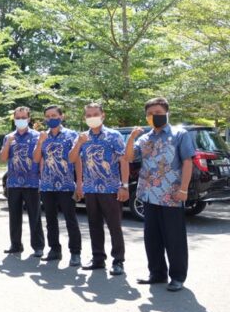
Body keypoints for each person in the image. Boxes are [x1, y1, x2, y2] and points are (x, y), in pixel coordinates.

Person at [125, 97, 194, 292]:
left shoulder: (180, 135)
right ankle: (157, 274)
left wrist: (183, 189)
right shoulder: (144, 138)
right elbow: (129, 157)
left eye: (157, 112)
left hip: (171, 196)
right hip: (147, 195)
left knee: (174, 238)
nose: (154, 116)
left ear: (166, 113)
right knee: (152, 237)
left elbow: (188, 162)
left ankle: (178, 276)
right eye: (150, 113)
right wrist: (131, 138)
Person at [68, 103, 129, 275]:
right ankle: (98, 258)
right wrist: (78, 144)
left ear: (103, 115)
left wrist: (124, 186)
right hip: (90, 189)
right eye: (88, 115)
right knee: (94, 225)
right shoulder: (82, 137)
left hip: (110, 189)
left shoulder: (113, 135)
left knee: (114, 227)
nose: (92, 117)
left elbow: (124, 160)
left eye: (95, 114)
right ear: (85, 117)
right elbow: (72, 159)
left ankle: (118, 261)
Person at [32, 105, 83, 267]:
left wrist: (80, 183)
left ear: (62, 116)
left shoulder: (71, 135)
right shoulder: (42, 136)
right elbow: (36, 158)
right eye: (47, 116)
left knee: (70, 220)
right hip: (47, 185)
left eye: (54, 115)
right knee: (50, 220)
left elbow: (78, 161)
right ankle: (54, 249)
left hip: (67, 185)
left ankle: (75, 253)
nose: (50, 118)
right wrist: (40, 143)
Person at [0, 106, 44, 257]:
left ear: (29, 119)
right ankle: (16, 245)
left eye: (23, 117)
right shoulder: (9, 137)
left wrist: (42, 180)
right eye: (17, 118)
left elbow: (42, 159)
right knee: (14, 215)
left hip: (32, 183)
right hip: (14, 183)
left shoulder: (38, 136)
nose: (20, 120)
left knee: (35, 216)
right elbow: (3, 158)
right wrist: (8, 143)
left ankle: (38, 246)